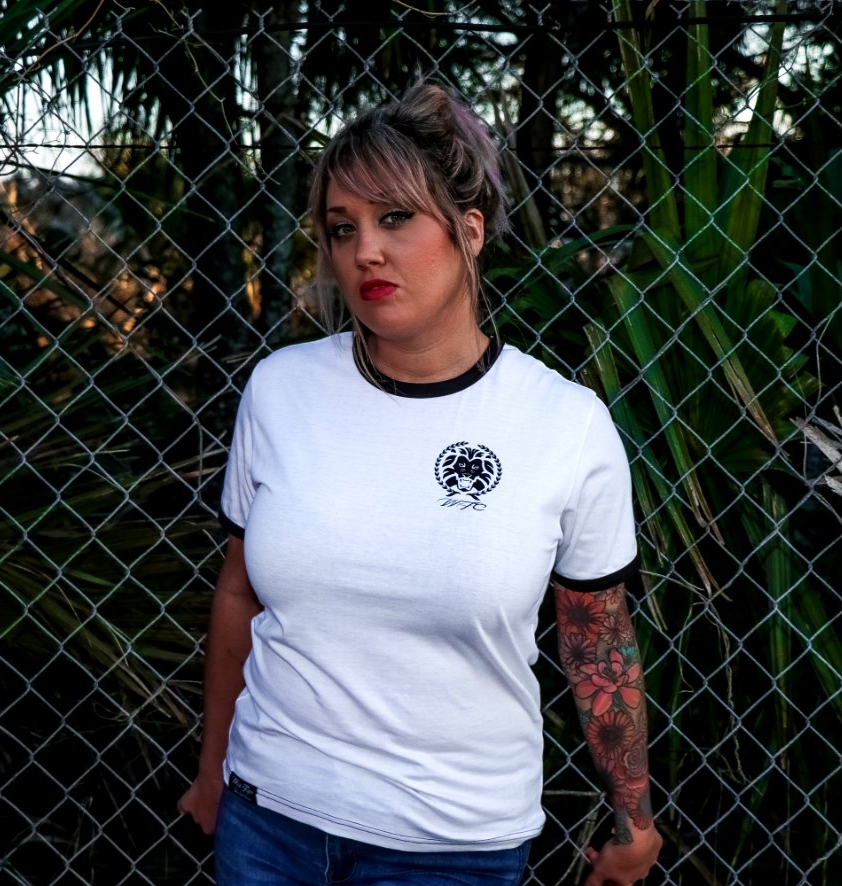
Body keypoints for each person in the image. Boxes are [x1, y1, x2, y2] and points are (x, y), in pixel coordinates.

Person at [177, 82, 662, 886]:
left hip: (452, 845)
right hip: (269, 822)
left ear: (469, 231)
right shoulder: (280, 390)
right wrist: (212, 770)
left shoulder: (564, 426)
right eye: (343, 228)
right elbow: (238, 593)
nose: (365, 250)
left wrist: (634, 818)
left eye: (395, 218)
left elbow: (597, 640)